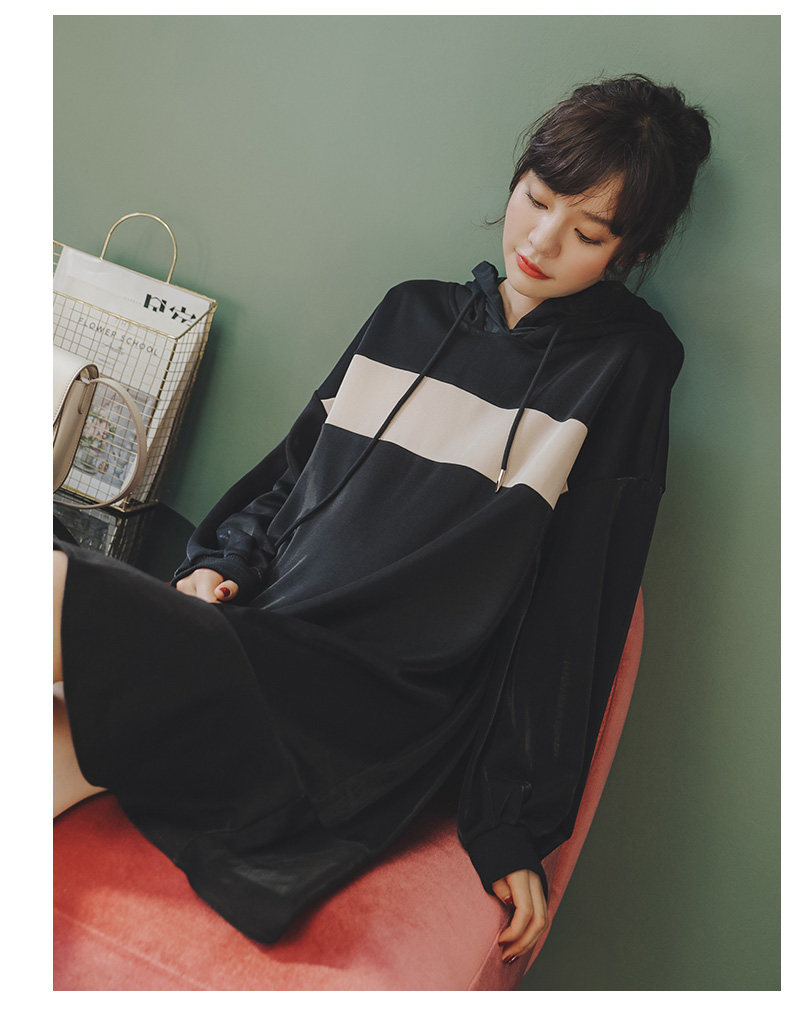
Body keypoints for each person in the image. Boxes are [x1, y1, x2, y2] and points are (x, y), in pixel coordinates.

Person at [53, 74, 711, 965]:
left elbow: (577, 602)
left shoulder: (623, 369)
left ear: (632, 251)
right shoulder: (410, 313)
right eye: (536, 198)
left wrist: (513, 822)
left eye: (589, 232)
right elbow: (293, 475)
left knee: (48, 589)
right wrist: (221, 563)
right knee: (53, 734)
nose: (542, 240)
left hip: (365, 707)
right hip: (262, 637)